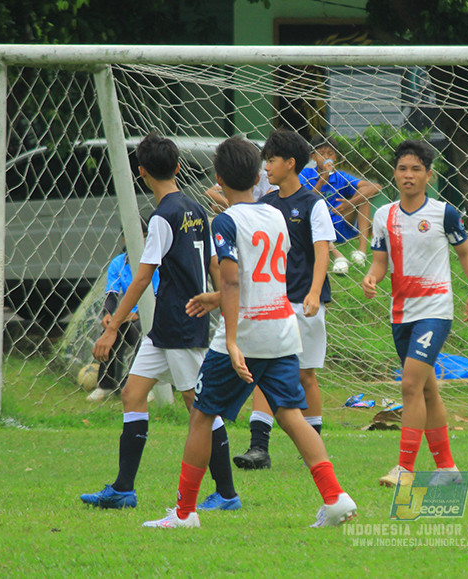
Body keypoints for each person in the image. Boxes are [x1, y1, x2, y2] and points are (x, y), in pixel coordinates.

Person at [143, 135, 356, 529]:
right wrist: (215, 296)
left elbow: (235, 281)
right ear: (258, 175)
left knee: (202, 417)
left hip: (247, 332)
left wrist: (231, 339)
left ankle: (185, 514)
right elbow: (253, 276)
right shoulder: (274, 214)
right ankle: (335, 497)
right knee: (291, 414)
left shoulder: (224, 220)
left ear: (218, 178)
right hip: (282, 328)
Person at [80, 131, 240, 512]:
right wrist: (221, 299)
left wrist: (114, 326)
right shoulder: (197, 209)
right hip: (167, 329)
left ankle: (228, 494)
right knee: (133, 394)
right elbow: (214, 264)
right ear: (179, 167)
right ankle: (122, 489)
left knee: (200, 408)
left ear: (141, 172)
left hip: (181, 325)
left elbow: (140, 278)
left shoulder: (162, 217)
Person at [362, 139, 468, 487]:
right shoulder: (383, 215)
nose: (409, 175)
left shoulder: (443, 212)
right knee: (427, 389)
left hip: (435, 310)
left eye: (416, 169)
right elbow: (380, 262)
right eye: (403, 168)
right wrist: (371, 278)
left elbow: (465, 253)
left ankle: (404, 470)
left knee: (411, 384)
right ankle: (447, 469)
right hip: (400, 312)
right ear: (394, 174)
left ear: (428, 175)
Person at [232, 128, 335, 470]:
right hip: (271, 303)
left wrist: (315, 292)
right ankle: (258, 448)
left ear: (291, 164)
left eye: (272, 160)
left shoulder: (313, 204)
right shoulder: (266, 205)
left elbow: (322, 251)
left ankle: (316, 446)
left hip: (304, 301)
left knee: (305, 375)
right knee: (262, 369)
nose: (266, 168)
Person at [87, 223, 161, 403]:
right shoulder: (118, 263)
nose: (140, 239)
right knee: (109, 331)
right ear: (124, 239)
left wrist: (138, 315)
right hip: (125, 314)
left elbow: (159, 296)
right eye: (135, 234)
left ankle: (143, 386)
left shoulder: (156, 263)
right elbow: (111, 294)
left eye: (144, 234)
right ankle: (105, 385)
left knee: (138, 329)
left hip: (153, 315)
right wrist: (107, 313)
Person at [300, 138, 381, 275]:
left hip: (340, 224)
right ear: (313, 156)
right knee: (310, 215)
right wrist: (322, 179)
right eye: (322, 153)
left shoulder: (340, 177)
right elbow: (305, 200)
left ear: (336, 157)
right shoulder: (305, 174)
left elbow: (376, 187)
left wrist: (350, 204)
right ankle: (338, 256)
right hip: (316, 225)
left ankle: (361, 252)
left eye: (330, 153)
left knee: (363, 193)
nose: (326, 157)